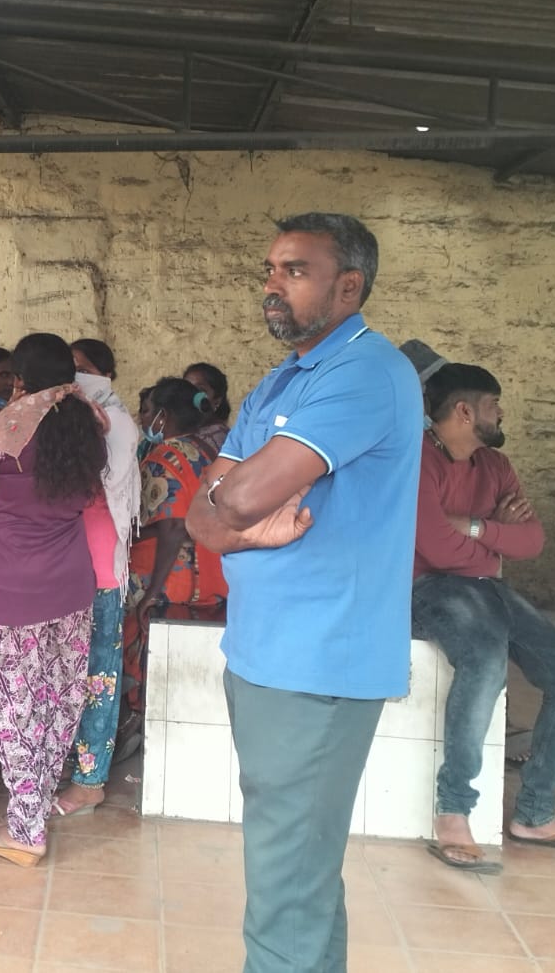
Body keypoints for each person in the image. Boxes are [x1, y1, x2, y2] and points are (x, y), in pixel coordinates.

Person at [185, 212, 421, 973]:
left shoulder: (366, 372)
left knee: (289, 883)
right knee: (297, 871)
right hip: (265, 650)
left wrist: (232, 514)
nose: (271, 287)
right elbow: (205, 511)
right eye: (270, 270)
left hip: (320, 661)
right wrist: (231, 524)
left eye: (294, 271)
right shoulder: (285, 378)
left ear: (348, 285)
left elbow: (245, 492)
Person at [413, 363, 555, 873]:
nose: (500, 413)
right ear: (464, 411)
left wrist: (473, 528)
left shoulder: (495, 465)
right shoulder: (418, 460)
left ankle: (535, 814)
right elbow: (433, 548)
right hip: (427, 588)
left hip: (487, 587)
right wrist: (494, 535)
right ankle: (454, 812)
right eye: (493, 404)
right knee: (484, 661)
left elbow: (533, 540)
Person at [0, 333, 107, 867]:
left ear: (20, 378)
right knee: (56, 698)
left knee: (11, 703)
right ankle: (34, 806)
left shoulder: (11, 422)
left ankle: (25, 831)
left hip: (10, 586)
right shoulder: (89, 421)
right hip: (69, 583)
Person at [118, 378, 222, 757]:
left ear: (162, 415)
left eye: (146, 411)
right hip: (211, 571)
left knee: (139, 644)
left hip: (168, 575)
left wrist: (151, 592)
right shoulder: (211, 451)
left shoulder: (167, 456)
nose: (143, 418)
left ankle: (138, 722)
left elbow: (173, 525)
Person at [58, 361, 142, 817]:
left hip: (99, 571)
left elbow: (97, 479)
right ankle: (76, 765)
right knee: (76, 675)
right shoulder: (98, 417)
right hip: (78, 565)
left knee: (98, 677)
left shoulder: (114, 423)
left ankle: (90, 781)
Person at [183, 361, 233, 453]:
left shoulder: (217, 436)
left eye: (200, 390)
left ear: (216, 401)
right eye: (186, 387)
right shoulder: (183, 429)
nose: (190, 394)